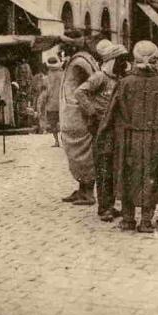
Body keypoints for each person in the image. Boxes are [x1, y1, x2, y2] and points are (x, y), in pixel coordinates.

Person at [99, 41, 158, 233]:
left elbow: (111, 112)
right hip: (156, 139)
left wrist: (104, 133)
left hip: (129, 138)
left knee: (127, 175)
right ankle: (146, 220)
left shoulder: (125, 83)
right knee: (151, 176)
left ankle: (128, 219)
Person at [75, 42, 129, 221]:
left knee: (114, 167)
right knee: (104, 166)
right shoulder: (100, 77)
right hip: (101, 128)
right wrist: (92, 112)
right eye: (120, 61)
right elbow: (80, 93)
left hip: (117, 128)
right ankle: (104, 208)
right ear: (112, 61)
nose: (124, 64)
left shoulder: (120, 79)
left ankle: (111, 205)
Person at [58, 33, 102, 206]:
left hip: (78, 116)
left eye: (65, 45)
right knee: (77, 155)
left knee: (83, 155)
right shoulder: (80, 59)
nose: (62, 49)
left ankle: (88, 193)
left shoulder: (80, 62)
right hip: (73, 115)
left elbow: (88, 89)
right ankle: (82, 189)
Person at [38, 55, 64, 147]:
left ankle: (56, 141)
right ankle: (63, 140)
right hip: (62, 102)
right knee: (63, 122)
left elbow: (45, 92)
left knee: (53, 124)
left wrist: (41, 104)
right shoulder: (63, 74)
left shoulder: (46, 77)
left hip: (51, 104)